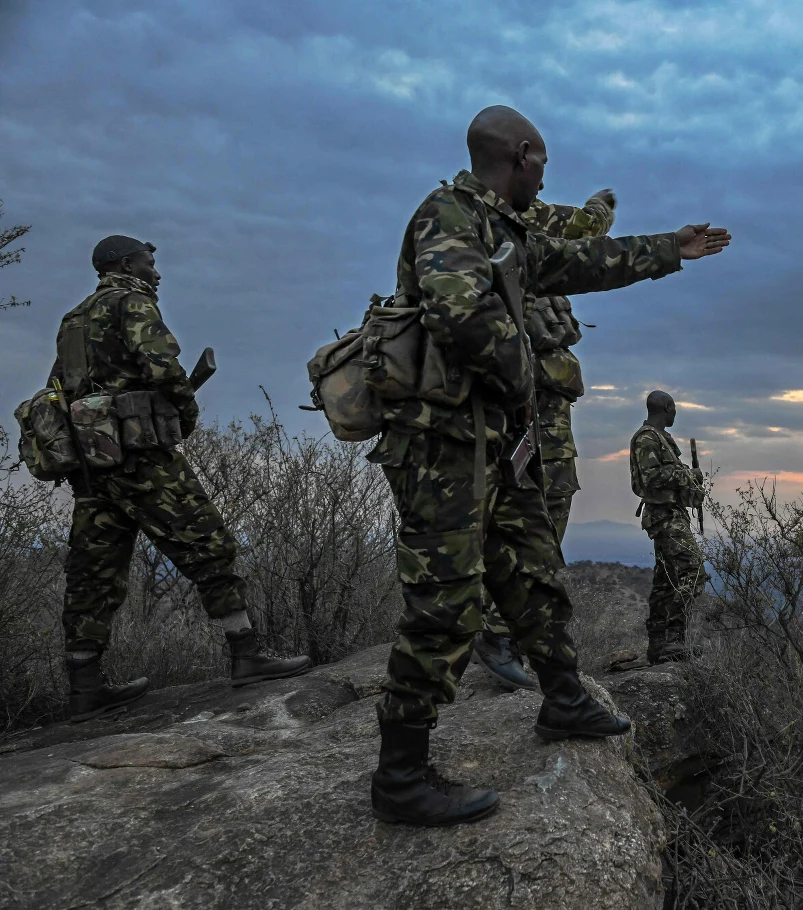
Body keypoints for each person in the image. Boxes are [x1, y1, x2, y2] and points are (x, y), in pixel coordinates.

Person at [368, 104, 731, 827]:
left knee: (532, 566)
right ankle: (401, 774)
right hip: (443, 446)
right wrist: (526, 380)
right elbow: (461, 315)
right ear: (523, 154)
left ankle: (563, 697)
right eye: (543, 166)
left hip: (492, 442)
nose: (545, 179)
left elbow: (579, 262)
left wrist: (669, 248)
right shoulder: (447, 215)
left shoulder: (504, 227)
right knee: (445, 603)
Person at [53, 236, 312, 723]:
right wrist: (184, 414)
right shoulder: (132, 303)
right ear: (126, 263)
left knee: (93, 571)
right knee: (210, 545)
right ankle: (246, 655)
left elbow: (60, 388)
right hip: (143, 458)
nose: (156, 272)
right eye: (149, 262)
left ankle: (84, 688)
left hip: (93, 466)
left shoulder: (73, 320)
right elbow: (163, 369)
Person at [470, 188, 616, 692]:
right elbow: (585, 230)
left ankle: (511, 634)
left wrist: (600, 208)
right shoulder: (485, 229)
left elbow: (585, 233)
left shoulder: (530, 239)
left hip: (546, 412)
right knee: (529, 519)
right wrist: (600, 207)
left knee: (551, 506)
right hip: (521, 412)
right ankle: (496, 633)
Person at [628, 391, 707, 664]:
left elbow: (666, 475)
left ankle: (659, 646)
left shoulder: (661, 438)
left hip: (671, 514)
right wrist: (688, 474)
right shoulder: (647, 437)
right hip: (664, 516)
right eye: (674, 410)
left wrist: (691, 486)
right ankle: (674, 639)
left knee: (666, 582)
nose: (675, 415)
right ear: (667, 408)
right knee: (693, 570)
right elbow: (650, 478)